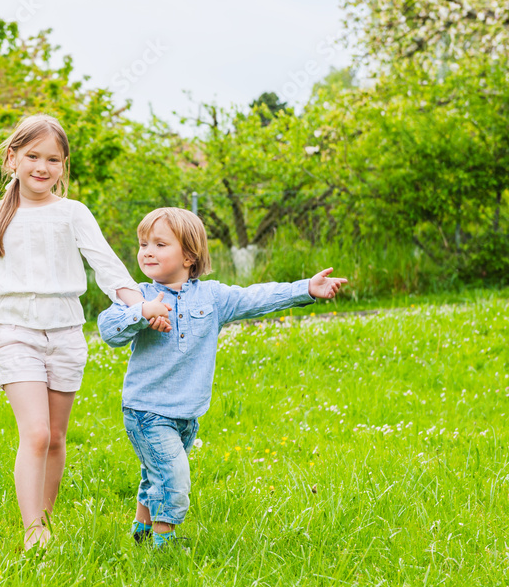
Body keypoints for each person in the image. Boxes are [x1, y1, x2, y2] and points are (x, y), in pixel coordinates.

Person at [0, 114, 171, 551]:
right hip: (15, 332)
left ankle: (45, 520)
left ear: (63, 166)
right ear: (13, 158)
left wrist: (141, 305)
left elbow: (107, 266)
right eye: (33, 156)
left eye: (53, 159)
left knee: (57, 438)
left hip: (65, 335)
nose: (42, 167)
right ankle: (32, 533)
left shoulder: (72, 213)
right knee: (36, 434)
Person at [97, 207, 347, 549]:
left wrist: (306, 288)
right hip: (146, 412)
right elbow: (108, 330)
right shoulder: (137, 294)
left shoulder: (212, 298)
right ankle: (163, 546)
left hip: (187, 412)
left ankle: (141, 533)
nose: (147, 251)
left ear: (189, 255)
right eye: (143, 244)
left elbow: (256, 297)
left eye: (159, 243)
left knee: (156, 473)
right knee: (173, 479)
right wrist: (141, 312)